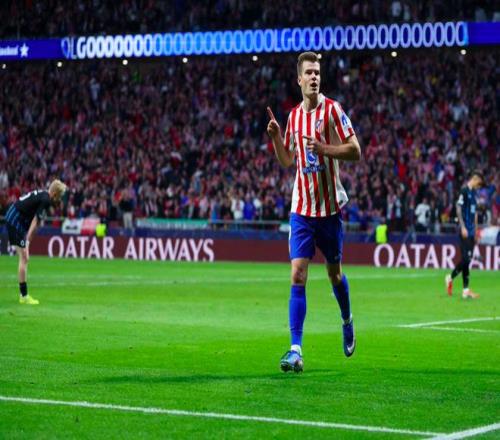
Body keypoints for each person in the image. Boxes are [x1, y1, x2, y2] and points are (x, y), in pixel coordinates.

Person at [266, 52, 361, 373]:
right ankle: (295, 349)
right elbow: (286, 160)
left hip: (329, 210)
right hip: (302, 211)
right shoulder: (294, 117)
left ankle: (347, 319)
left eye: (317, 72)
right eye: (309, 73)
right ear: (299, 79)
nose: (314, 77)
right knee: (298, 274)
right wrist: (276, 138)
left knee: (335, 275)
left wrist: (324, 149)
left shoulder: (333, 110)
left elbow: (356, 150)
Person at [5, 179, 67, 304]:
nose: (59, 199)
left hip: (16, 218)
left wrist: (27, 242)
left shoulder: (44, 195)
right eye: (59, 196)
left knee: (24, 257)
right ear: (55, 193)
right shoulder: (46, 200)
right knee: (24, 257)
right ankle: (24, 296)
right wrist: (27, 242)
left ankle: (23, 295)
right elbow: (35, 222)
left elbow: (35, 222)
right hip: (14, 219)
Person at [445, 171, 484, 299]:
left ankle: (451, 279)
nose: (479, 187)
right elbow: (458, 208)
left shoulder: (473, 194)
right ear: (475, 179)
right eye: (479, 184)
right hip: (465, 231)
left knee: (467, 259)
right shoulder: (464, 191)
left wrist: (476, 231)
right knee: (467, 259)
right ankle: (465, 290)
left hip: (471, 232)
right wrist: (462, 227)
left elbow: (475, 214)